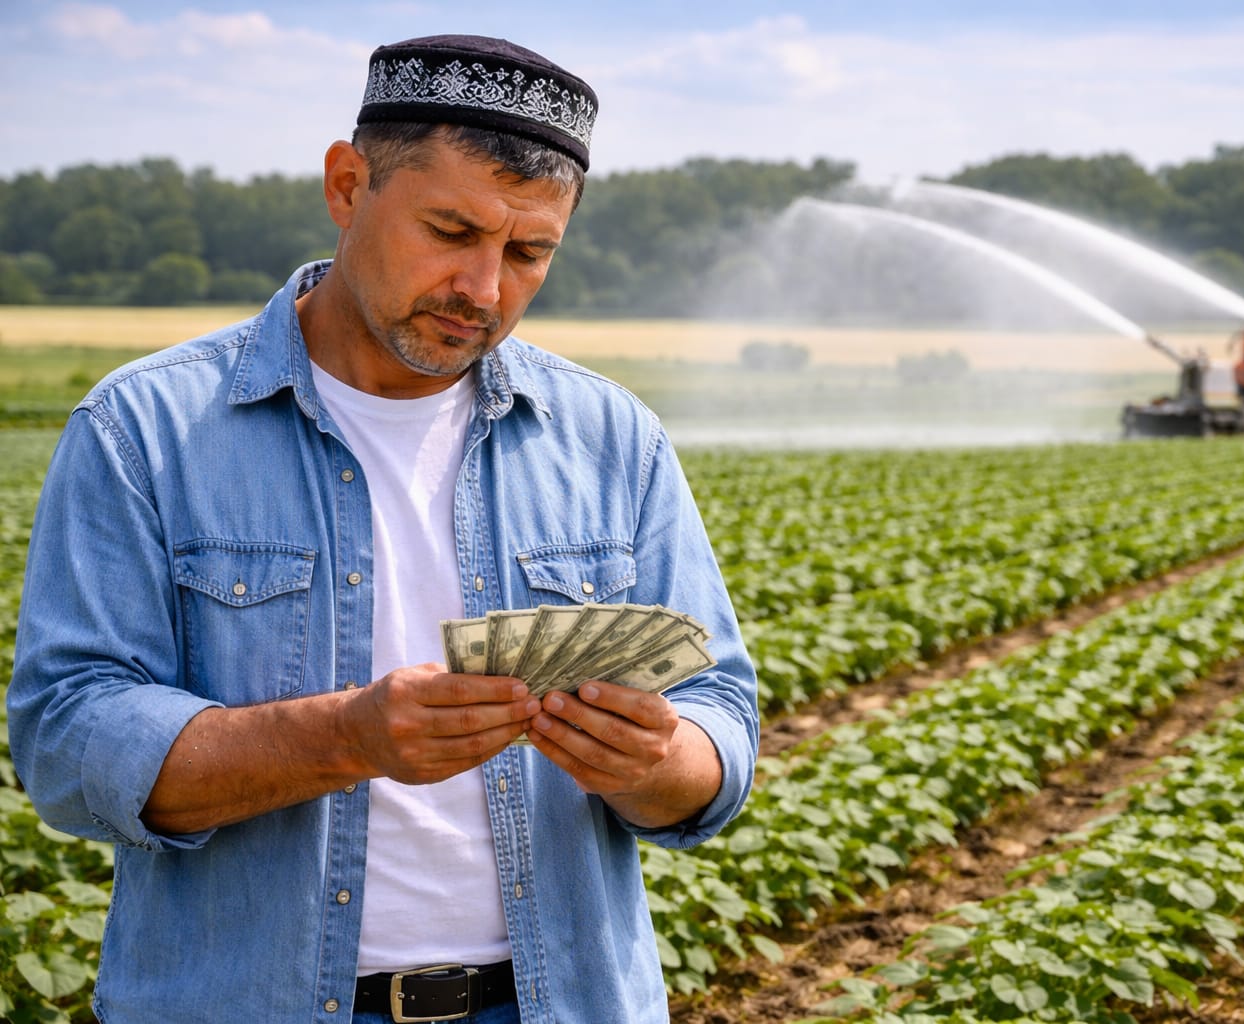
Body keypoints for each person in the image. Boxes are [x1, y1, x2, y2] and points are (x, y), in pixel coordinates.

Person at [7, 34, 758, 1024]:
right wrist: (343, 737)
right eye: (451, 230)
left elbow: (721, 721)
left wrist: (658, 761)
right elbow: (65, 736)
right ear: (347, 184)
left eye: (529, 252)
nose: (484, 291)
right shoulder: (145, 427)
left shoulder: (611, 436)